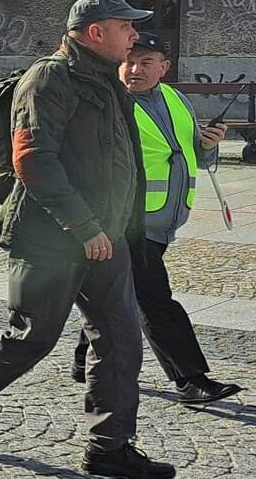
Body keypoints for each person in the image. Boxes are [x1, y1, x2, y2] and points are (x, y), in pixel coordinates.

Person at [0, 0, 176, 479]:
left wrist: (124, 230)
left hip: (106, 238)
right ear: (93, 31)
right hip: (49, 235)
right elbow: (33, 159)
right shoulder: (48, 77)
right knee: (33, 336)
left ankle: (109, 447)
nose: (133, 36)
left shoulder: (108, 81)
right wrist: (83, 227)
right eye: (125, 27)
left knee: (121, 339)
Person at [68, 33, 242, 405]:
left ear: (164, 68)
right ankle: (190, 379)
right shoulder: (110, 102)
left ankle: (84, 358)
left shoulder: (175, 99)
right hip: (125, 221)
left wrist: (208, 146)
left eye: (146, 62)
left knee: (118, 293)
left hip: (163, 220)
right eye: (129, 60)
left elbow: (192, 156)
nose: (135, 69)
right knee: (155, 300)